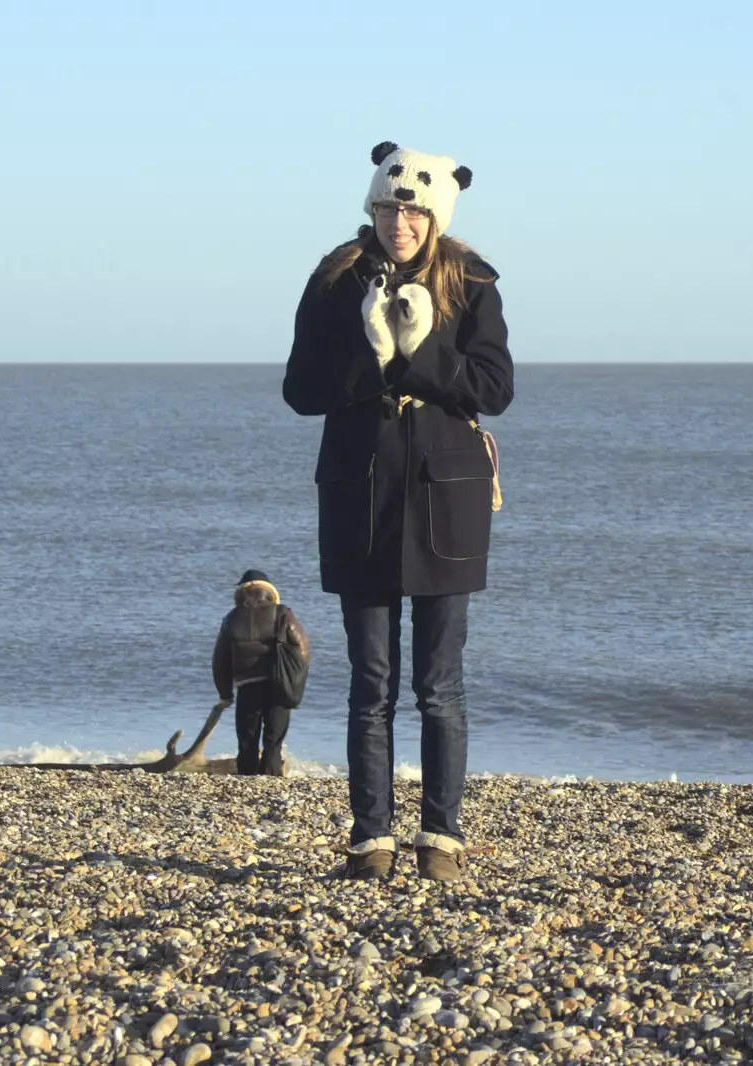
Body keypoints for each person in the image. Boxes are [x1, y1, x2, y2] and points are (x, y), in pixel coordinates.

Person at [282, 141, 513, 883]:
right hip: (360, 490)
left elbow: (495, 387)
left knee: (439, 685)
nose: (400, 220)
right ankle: (370, 839)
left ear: (435, 213)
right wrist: (373, 352)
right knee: (371, 681)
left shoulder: (472, 281)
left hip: (448, 496)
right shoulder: (335, 280)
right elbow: (300, 389)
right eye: (389, 206)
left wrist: (418, 353)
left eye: (413, 208)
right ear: (373, 208)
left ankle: (440, 838)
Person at [212, 569, 311, 776]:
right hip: (279, 683)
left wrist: (225, 694)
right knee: (273, 741)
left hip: (247, 686)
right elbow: (302, 648)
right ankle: (271, 778)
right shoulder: (282, 612)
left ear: (241, 593)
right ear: (268, 592)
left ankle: (247, 779)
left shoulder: (231, 618)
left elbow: (220, 661)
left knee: (247, 741)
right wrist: (296, 680)